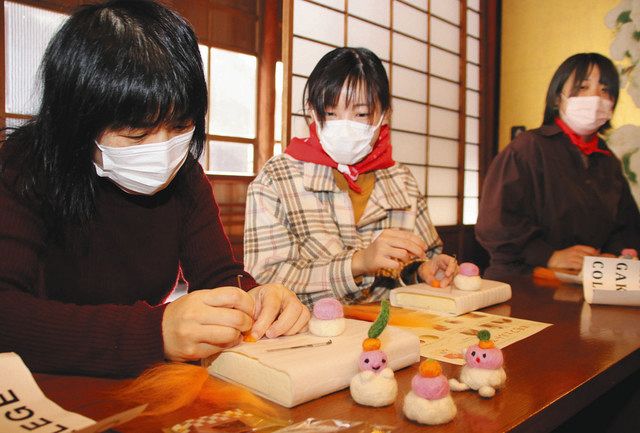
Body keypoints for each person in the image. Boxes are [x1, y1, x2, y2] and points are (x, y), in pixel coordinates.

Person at [0, 0, 309, 377]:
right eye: (136, 134)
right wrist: (155, 332)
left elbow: (217, 277)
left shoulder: (186, 178)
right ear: (77, 123)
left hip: (139, 383)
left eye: (180, 127)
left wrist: (253, 299)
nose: (162, 151)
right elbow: (6, 315)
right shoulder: (23, 169)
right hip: (39, 384)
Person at [244, 47, 457, 307]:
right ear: (312, 111)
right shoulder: (277, 178)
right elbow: (264, 283)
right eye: (331, 113)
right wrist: (358, 263)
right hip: (310, 335)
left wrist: (423, 270)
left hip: (393, 330)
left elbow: (424, 255)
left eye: (361, 114)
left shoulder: (401, 178)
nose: (344, 126)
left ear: (385, 115)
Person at [476, 52, 640, 278]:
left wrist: (615, 256)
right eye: (583, 87)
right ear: (557, 98)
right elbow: (495, 223)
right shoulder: (527, 148)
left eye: (605, 90)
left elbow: (625, 224)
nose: (595, 97)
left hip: (585, 282)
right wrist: (549, 255)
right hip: (523, 281)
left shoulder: (607, 159)